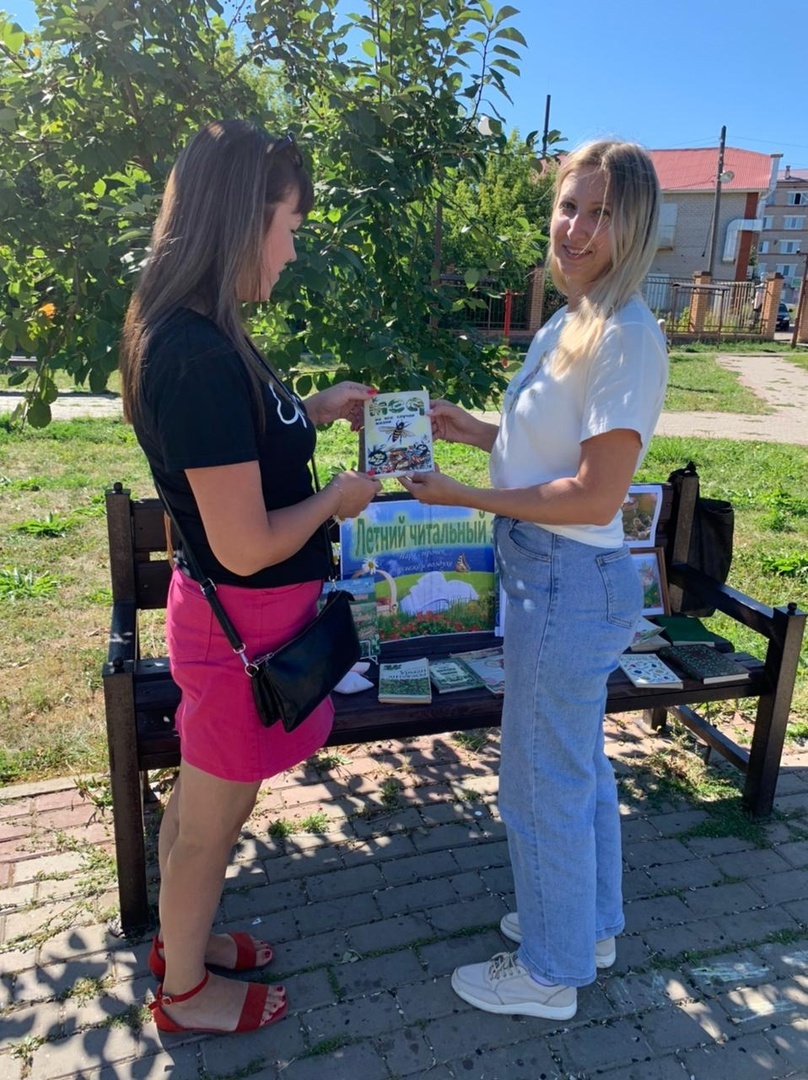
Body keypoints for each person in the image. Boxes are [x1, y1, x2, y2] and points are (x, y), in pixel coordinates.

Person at [119, 120, 381, 1035]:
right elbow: (245, 542)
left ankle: (180, 945)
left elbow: (236, 443)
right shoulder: (193, 352)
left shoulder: (202, 332)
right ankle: (185, 994)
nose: (292, 249)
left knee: (205, 805)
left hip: (244, 623)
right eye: (289, 226)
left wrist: (313, 410)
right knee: (210, 819)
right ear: (242, 219)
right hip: (241, 627)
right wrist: (335, 500)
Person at [399, 140, 667, 1020]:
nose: (576, 228)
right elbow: (550, 449)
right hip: (554, 576)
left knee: (539, 780)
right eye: (568, 206)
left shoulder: (625, 334)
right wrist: (474, 430)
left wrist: (464, 494)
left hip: (564, 578)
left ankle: (551, 974)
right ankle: (587, 926)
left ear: (634, 229)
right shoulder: (576, 318)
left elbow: (595, 492)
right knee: (574, 766)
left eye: (601, 214)